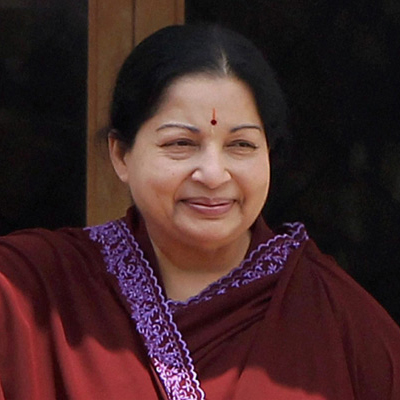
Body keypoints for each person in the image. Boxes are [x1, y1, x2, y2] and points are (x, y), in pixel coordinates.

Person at [1, 24, 399, 400]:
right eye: (180, 144)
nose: (212, 174)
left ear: (269, 155)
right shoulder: (33, 290)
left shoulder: (335, 316)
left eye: (241, 145)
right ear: (121, 155)